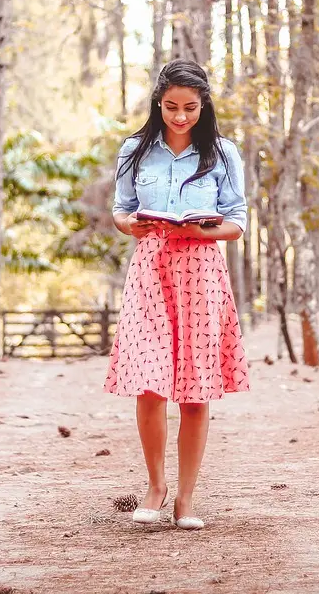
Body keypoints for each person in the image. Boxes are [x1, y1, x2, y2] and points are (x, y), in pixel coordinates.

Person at [106, 59, 250, 531]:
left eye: (190, 107)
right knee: (150, 383)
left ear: (203, 104)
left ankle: (186, 499)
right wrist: (133, 224)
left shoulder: (223, 152)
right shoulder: (135, 149)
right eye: (171, 107)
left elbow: (238, 219)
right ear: (158, 103)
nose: (180, 117)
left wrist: (208, 230)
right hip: (150, 269)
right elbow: (122, 210)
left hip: (201, 271)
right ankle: (156, 486)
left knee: (194, 387)